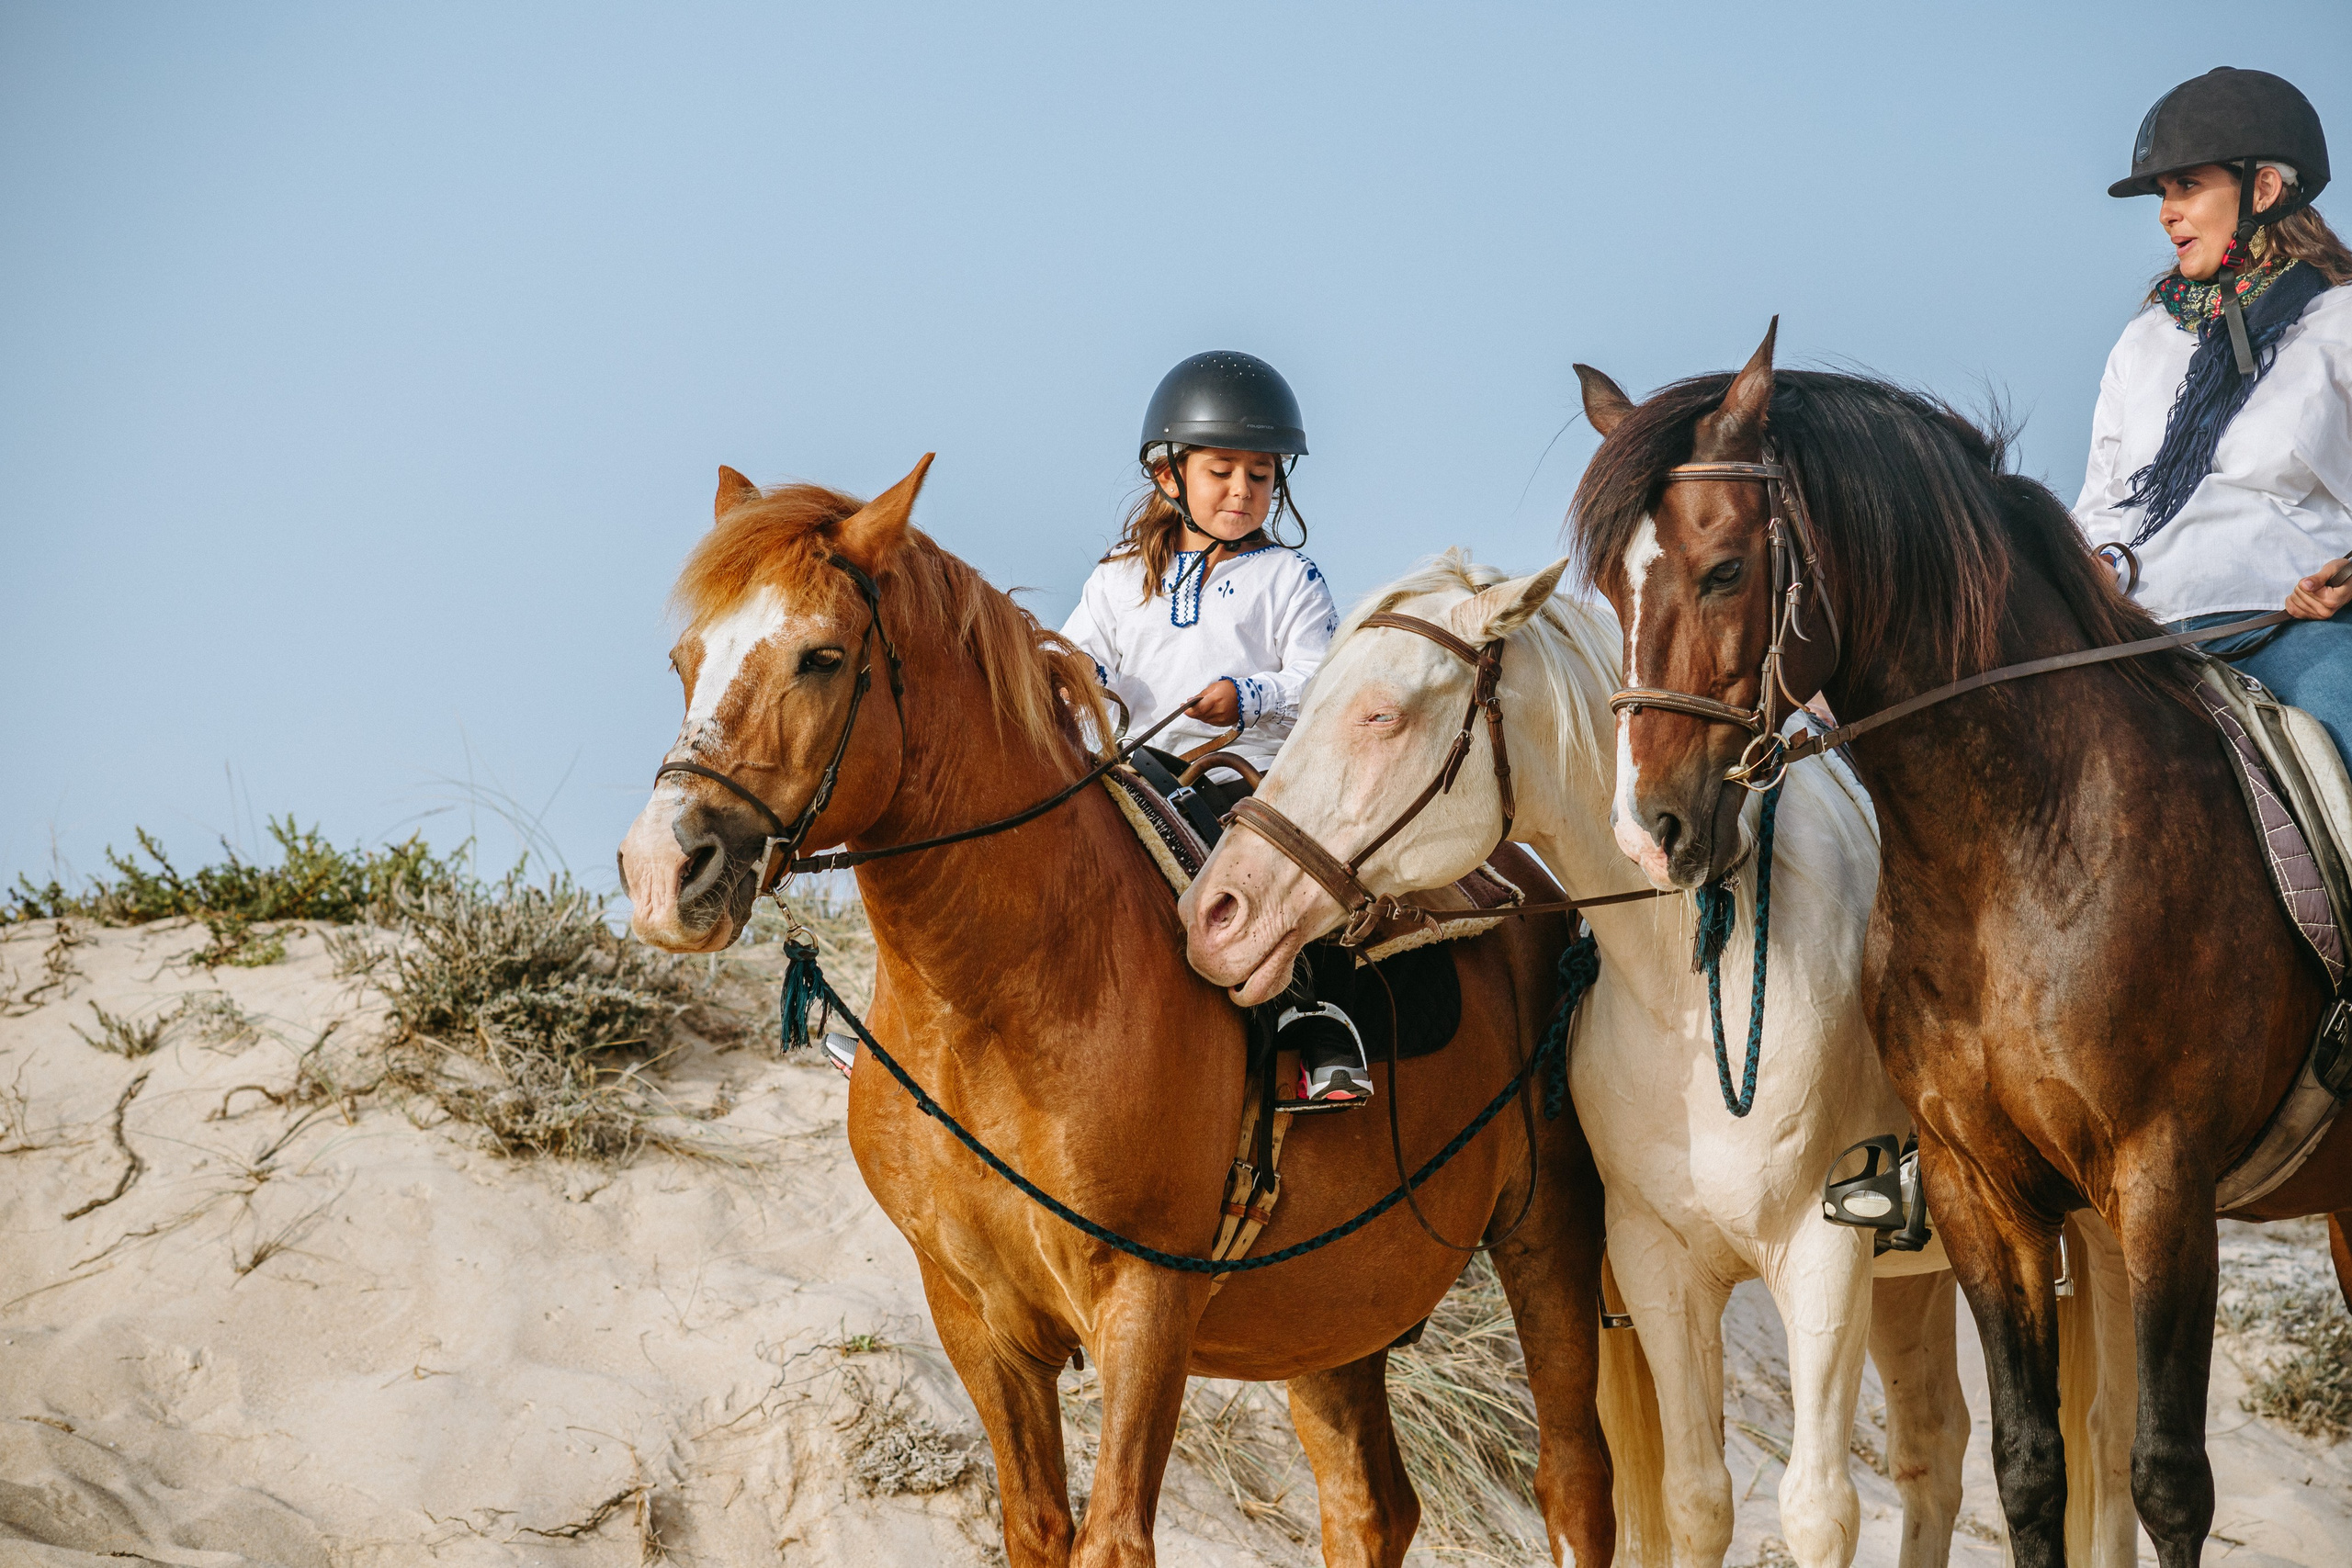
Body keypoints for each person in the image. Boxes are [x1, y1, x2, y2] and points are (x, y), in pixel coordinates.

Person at [1063, 351, 1370, 1109]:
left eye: (1259, 475)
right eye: (1222, 471)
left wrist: (1247, 694)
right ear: (1170, 476)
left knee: (1294, 867)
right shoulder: (1114, 577)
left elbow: (1322, 684)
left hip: (1251, 777)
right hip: (1135, 772)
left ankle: (1313, 1016)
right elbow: (1076, 660)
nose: (1242, 491)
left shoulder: (1291, 580)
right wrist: (1078, 680)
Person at [2075, 67, 2352, 757]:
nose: (2166, 211)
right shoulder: (2144, 339)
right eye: (2164, 192)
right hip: (2133, 637)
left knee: (2342, 724)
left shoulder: (2343, 323)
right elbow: (2099, 507)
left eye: (2187, 186)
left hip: (2281, 634)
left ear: (2263, 188)